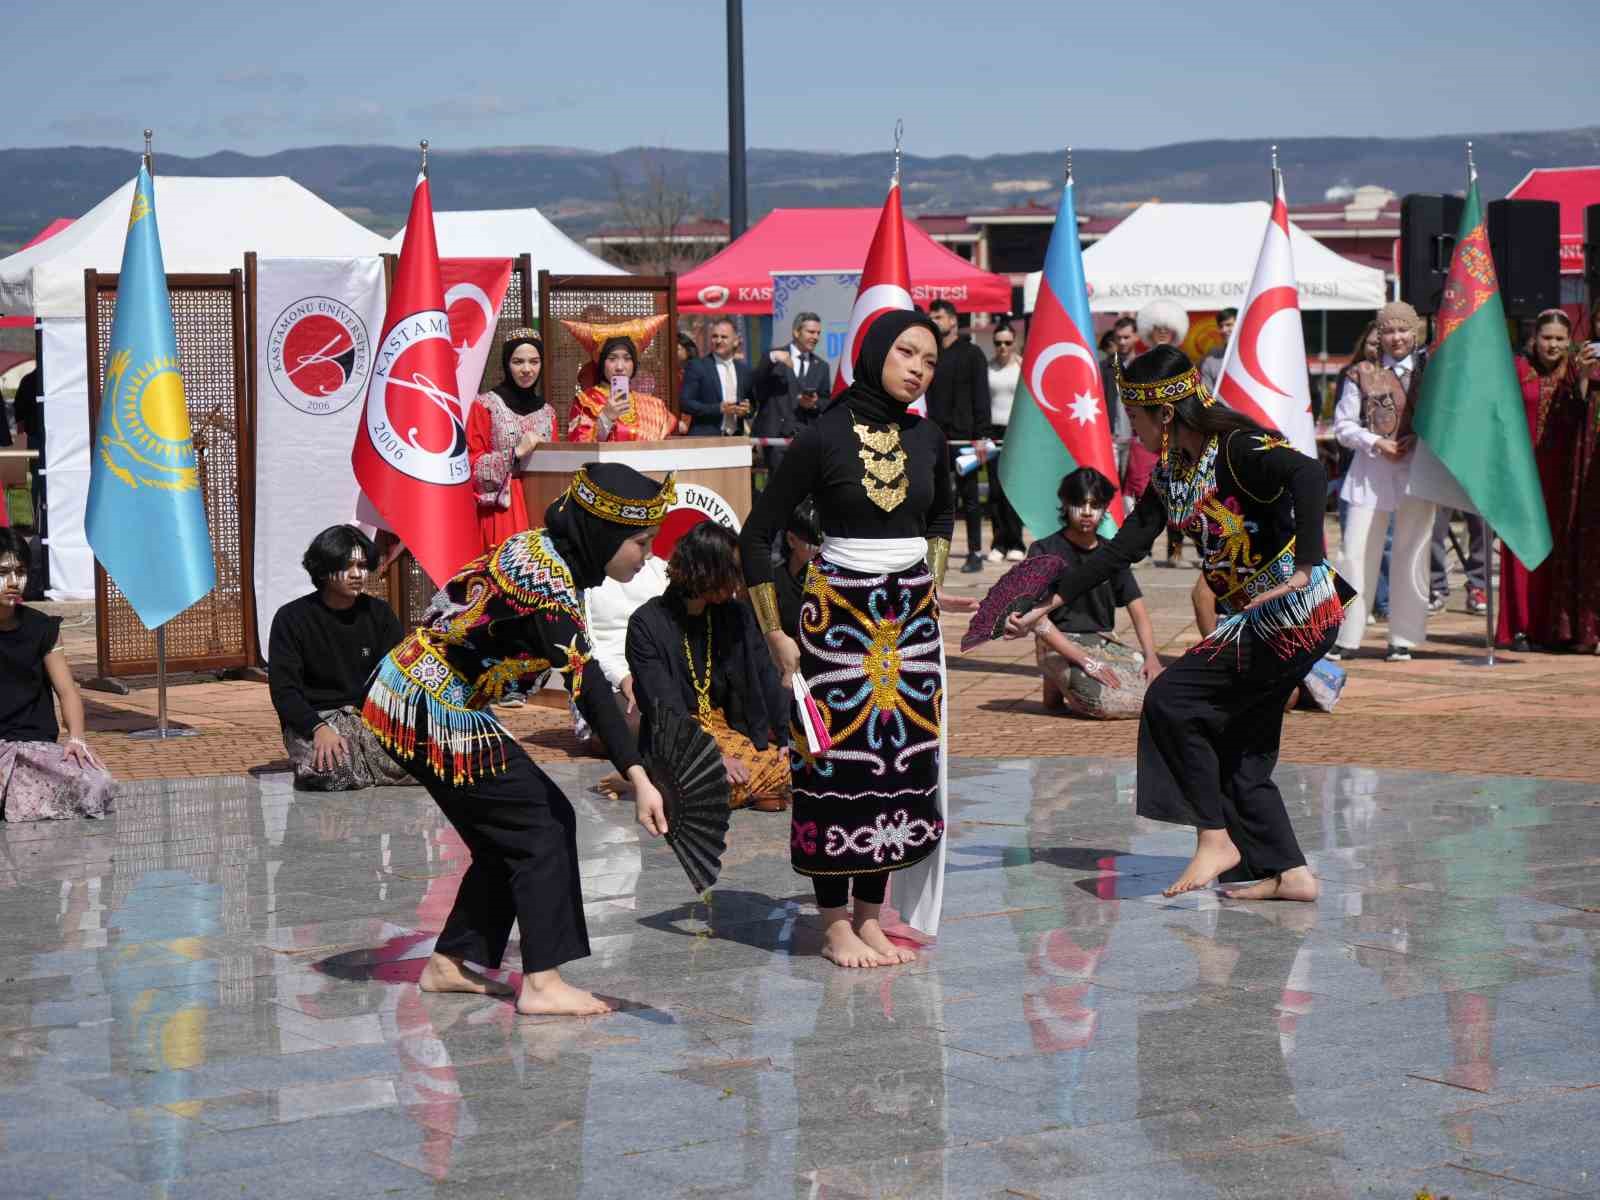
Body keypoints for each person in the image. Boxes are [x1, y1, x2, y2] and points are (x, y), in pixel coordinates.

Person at [1008, 346, 1350, 901]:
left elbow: (1310, 473)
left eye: (1134, 417)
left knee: (1170, 698)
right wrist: (1051, 600)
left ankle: (1215, 837)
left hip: (1296, 610)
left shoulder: (1237, 448)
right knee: (1242, 743)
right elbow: (1122, 550)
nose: (1130, 428)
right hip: (1266, 618)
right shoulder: (1173, 474)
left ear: (1164, 414)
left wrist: (1307, 562)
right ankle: (1286, 872)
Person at [362, 463, 672, 1016]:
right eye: (640, 542)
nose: (646, 554)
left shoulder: (545, 552)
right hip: (432, 704)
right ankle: (543, 982)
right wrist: (640, 777)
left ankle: (451, 961)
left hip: (410, 693)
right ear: (603, 532)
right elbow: (589, 686)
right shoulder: (547, 584)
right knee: (542, 821)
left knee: (507, 831)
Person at [740, 309, 978, 968]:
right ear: (875, 351)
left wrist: (928, 581)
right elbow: (756, 536)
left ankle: (873, 916)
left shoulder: (929, 437)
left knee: (897, 770)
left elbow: (941, 514)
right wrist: (774, 632)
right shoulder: (821, 437)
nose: (918, 369)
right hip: (832, 627)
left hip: (911, 634)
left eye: (929, 361)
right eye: (906, 352)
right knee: (830, 767)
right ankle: (833, 922)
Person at [627, 522, 789, 812]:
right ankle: (757, 788)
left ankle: (752, 787)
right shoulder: (646, 623)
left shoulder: (735, 615)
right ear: (707, 571)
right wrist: (714, 758)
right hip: (678, 739)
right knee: (706, 782)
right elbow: (664, 707)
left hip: (727, 729)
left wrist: (786, 734)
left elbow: (765, 675)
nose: (738, 584)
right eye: (732, 574)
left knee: (797, 763)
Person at [268, 525, 412, 792]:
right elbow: (284, 691)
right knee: (331, 773)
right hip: (316, 719)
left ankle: (370, 766)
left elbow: (397, 680)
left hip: (371, 718)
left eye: (362, 565)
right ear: (323, 570)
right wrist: (317, 728)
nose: (357, 574)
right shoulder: (292, 619)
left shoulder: (379, 614)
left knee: (426, 762)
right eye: (347, 566)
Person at [1330, 301, 1433, 662]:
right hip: (1370, 473)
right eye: (1389, 330)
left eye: (1403, 329)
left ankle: (1403, 638)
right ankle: (1346, 635)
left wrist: (1420, 440)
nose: (1397, 337)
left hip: (1418, 473)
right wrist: (1375, 442)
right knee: (1353, 552)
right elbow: (1342, 426)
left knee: (1412, 552)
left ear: (1415, 332)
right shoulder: (1362, 373)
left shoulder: (1430, 372)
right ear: (1379, 334)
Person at [1498, 309, 1599, 650]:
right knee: (1519, 551)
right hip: (1520, 473)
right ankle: (1518, 628)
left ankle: (1551, 628)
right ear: (1534, 339)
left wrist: (1584, 376)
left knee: (1555, 552)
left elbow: (1584, 410)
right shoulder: (1516, 370)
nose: (1552, 345)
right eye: (1547, 338)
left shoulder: (1575, 370)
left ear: (1569, 342)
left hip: (1562, 475)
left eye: (1559, 339)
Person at [1025, 467, 1161, 719]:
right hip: (1058, 641)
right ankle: (1058, 675)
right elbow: (1036, 618)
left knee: (1159, 692)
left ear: (1106, 507)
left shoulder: (1111, 554)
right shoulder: (1044, 550)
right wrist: (1085, 661)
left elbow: (1138, 609)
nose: (1087, 512)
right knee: (1098, 702)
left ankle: (1059, 683)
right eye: (1079, 503)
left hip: (1103, 641)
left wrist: (1151, 657)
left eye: (1095, 504)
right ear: (1065, 504)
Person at [0, 528, 113, 821]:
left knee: (95, 784)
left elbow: (67, 691)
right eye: (3, 572)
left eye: (20, 571)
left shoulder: (43, 628)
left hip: (35, 750)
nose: (14, 582)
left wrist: (77, 739)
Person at [467, 330, 560, 553]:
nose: (527, 369)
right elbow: (471, 467)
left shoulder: (548, 413)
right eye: (518, 361)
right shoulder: (485, 405)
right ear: (506, 364)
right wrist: (515, 453)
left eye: (534, 362)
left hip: (541, 510)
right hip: (502, 512)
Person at [924, 299, 991, 574]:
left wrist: (982, 435)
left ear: (953, 320)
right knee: (937, 497)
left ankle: (975, 551)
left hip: (966, 438)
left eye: (939, 316)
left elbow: (981, 396)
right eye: (932, 316)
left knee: (970, 496)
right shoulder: (930, 353)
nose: (935, 320)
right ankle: (935, 552)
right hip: (936, 437)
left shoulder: (972, 353)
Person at [1131, 299, 1190, 566]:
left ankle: (1175, 550)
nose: (1163, 332)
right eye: (1157, 327)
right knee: (1145, 493)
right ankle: (1142, 551)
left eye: (1167, 327)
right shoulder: (1140, 363)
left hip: (1176, 436)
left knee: (1177, 492)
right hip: (1148, 439)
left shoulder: (1183, 361)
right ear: (1148, 330)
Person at [567, 326, 677, 443]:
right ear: (602, 364)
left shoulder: (654, 406)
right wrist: (606, 418)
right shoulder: (586, 402)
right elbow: (580, 445)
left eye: (627, 359)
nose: (620, 367)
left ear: (634, 365)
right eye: (612, 359)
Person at [753, 311, 831, 475]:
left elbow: (826, 400)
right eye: (811, 332)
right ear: (796, 332)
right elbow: (757, 381)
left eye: (818, 333)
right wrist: (773, 357)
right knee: (778, 485)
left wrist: (814, 403)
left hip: (805, 437)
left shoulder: (822, 366)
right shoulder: (774, 356)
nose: (815, 337)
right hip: (776, 436)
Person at [985, 321, 1026, 561]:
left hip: (1017, 431)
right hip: (993, 431)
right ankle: (998, 543)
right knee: (995, 489)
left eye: (1007, 342)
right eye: (998, 342)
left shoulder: (1022, 367)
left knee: (1014, 490)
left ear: (1014, 342)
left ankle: (1016, 543)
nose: (1002, 347)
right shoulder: (987, 367)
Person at [679, 317, 754, 437]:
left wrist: (747, 410)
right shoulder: (698, 366)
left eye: (724, 337)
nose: (718, 341)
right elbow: (685, 403)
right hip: (706, 439)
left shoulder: (744, 370)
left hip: (735, 438)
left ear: (736, 341)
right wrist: (718, 408)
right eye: (715, 336)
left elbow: (752, 404)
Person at [772, 498, 821, 641]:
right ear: (791, 540)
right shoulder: (773, 583)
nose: (818, 548)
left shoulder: (830, 579)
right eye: (811, 542)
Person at [1100, 316, 1138, 495]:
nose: (1122, 342)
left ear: (1136, 337)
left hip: (1137, 439)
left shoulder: (1143, 366)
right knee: (1109, 487)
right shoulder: (1104, 367)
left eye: (1127, 337)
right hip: (1111, 439)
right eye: (1119, 338)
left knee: (1130, 492)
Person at [1199, 307, 1236, 393]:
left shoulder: (1259, 355)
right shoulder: (1210, 360)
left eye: (1229, 325)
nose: (1224, 330)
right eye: (1221, 326)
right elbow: (1207, 396)